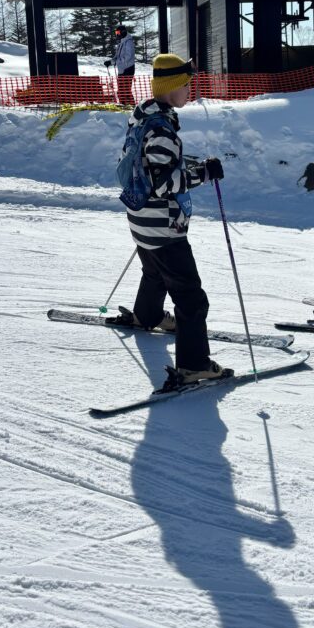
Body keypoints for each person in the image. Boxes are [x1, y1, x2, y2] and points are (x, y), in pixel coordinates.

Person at [121, 52, 230, 385]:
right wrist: (204, 174)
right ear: (171, 87)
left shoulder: (143, 117)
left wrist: (192, 166)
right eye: (186, 85)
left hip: (141, 220)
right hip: (164, 227)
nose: (190, 91)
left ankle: (147, 315)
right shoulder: (162, 131)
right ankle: (194, 365)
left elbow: (152, 165)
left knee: (154, 271)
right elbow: (163, 183)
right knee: (191, 298)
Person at [105, 25, 136, 105]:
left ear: (123, 32)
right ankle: (123, 104)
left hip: (128, 68)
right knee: (121, 90)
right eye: (116, 32)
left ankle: (131, 106)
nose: (117, 34)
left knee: (125, 90)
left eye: (118, 32)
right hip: (122, 69)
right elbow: (117, 56)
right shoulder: (122, 42)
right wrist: (111, 61)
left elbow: (128, 56)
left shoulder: (128, 42)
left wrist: (116, 62)